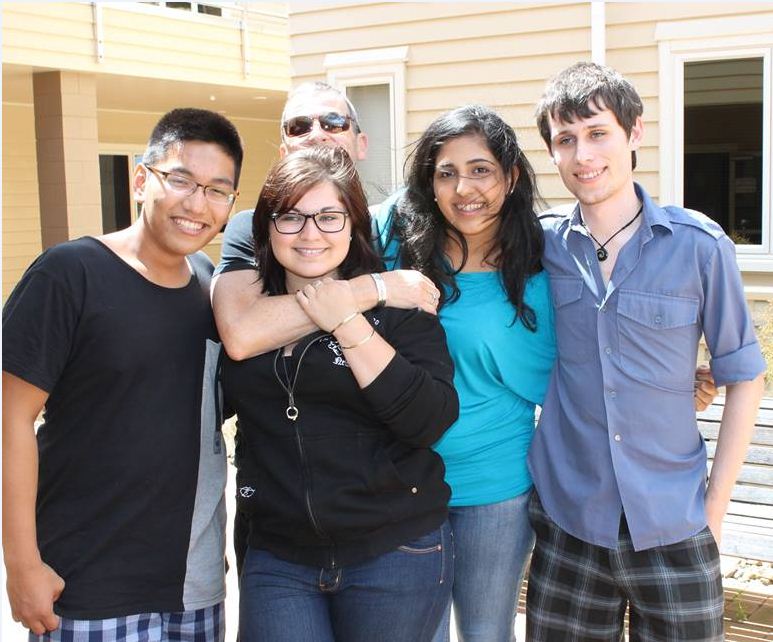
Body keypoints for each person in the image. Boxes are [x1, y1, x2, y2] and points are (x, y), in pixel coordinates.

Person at [526, 61, 766, 641]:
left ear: (634, 133)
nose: (583, 154)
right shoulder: (537, 247)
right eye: (566, 140)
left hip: (674, 522)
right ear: (553, 154)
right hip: (569, 522)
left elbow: (746, 376)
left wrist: (713, 511)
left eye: (598, 132)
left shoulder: (700, 247)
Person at [3, 108, 243, 642]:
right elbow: (9, 423)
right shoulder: (70, 273)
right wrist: (22, 566)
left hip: (192, 589)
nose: (196, 204)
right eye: (181, 180)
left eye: (217, 191)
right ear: (141, 179)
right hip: (86, 585)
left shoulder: (212, 287)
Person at [221, 145, 458, 642]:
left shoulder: (401, 309)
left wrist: (347, 323)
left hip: (394, 550)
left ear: (354, 224)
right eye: (291, 217)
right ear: (267, 227)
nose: (310, 234)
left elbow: (427, 421)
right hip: (278, 554)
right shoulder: (245, 309)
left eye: (330, 217)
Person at [372, 104, 554, 642]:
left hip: (496, 488)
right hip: (401, 480)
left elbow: (595, 353)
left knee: (485, 632)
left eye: (481, 170)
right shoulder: (394, 242)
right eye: (445, 172)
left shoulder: (543, 266)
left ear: (511, 176)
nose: (462, 188)